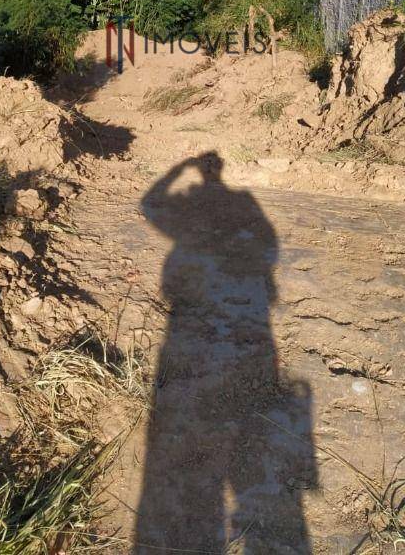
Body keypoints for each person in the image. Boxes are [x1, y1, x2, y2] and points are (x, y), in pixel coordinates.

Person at [134, 152, 316, 552]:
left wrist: (176, 169)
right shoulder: (246, 205)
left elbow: (149, 204)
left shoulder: (200, 209)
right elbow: (269, 245)